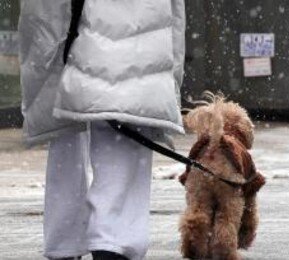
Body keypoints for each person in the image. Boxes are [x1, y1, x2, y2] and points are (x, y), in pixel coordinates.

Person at [18, 0, 185, 259]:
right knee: (122, 116)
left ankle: (68, 241)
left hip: (62, 22)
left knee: (68, 131)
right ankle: (113, 241)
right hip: (134, 23)